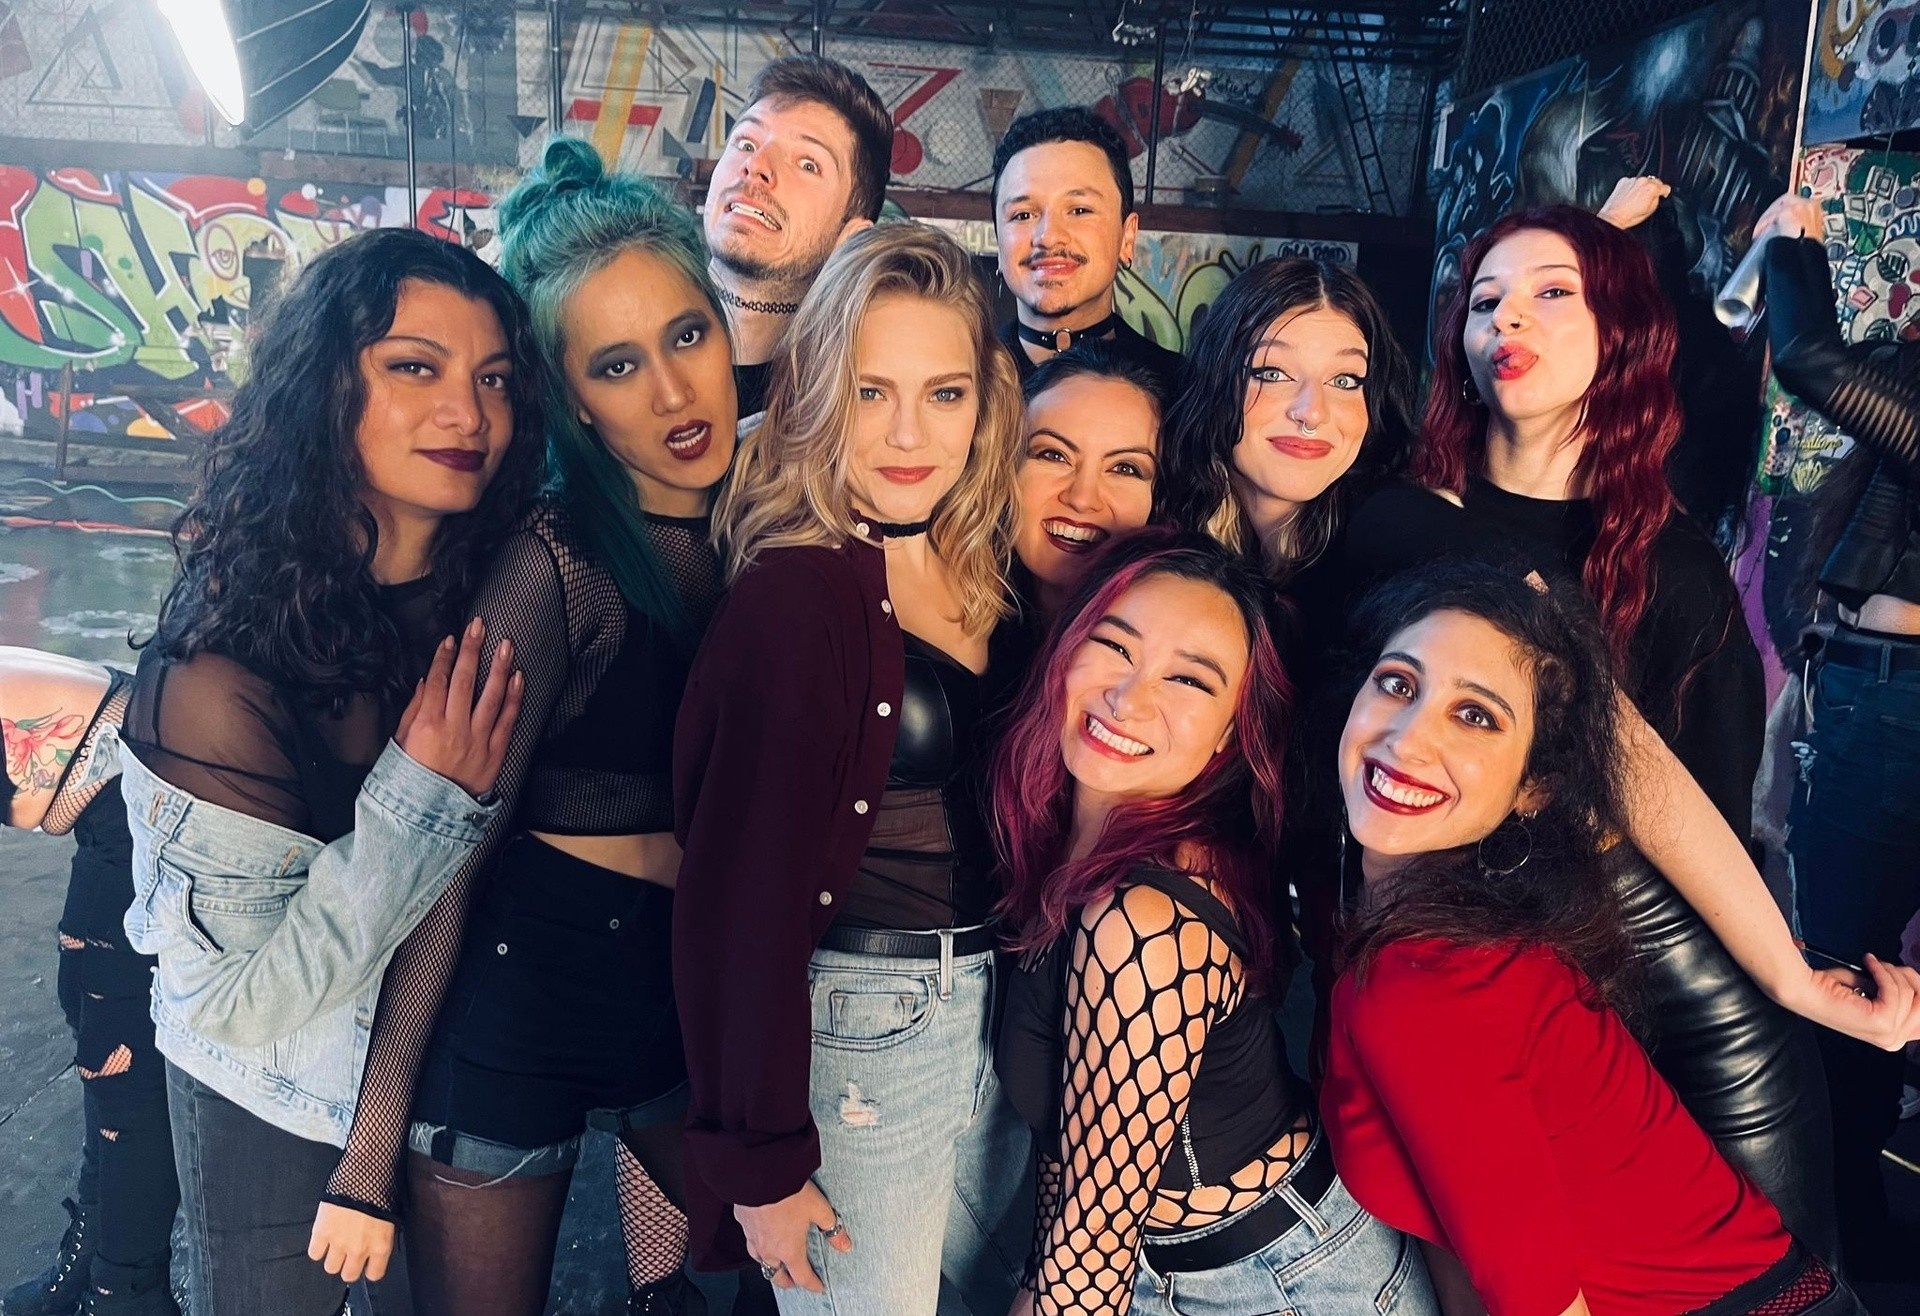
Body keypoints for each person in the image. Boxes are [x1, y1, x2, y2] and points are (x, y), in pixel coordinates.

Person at [312, 140, 738, 1316]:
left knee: (744, 1287)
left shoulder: (764, 529)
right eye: (617, 365)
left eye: (686, 336)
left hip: (680, 1004)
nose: (672, 393)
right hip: (520, 997)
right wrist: (368, 1155)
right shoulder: (556, 570)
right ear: (569, 395)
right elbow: (449, 857)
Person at [116, 227, 541, 1316]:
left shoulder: (501, 593)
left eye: (494, 379)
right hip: (274, 1094)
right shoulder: (218, 669)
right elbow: (239, 1004)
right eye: (416, 367)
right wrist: (421, 798)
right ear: (323, 388)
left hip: (442, 1077)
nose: (469, 413)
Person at [1413, 204, 1851, 1255]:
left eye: (1552, 294)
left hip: (1620, 1014)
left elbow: (1706, 830)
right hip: (1432, 984)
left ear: (1623, 334)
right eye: (1485, 302)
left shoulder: (1676, 575)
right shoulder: (1408, 517)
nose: (1508, 319)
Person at [1322, 560, 1891, 1316]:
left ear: (1534, 787)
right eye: (1398, 683)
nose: (1409, 738)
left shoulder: (1425, 983)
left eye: (1477, 716)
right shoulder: (1440, 925)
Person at [673, 223, 1029, 1316]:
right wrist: (763, 1160)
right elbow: (738, 904)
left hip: (994, 1013)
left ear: (985, 403)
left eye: (944, 393)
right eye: (872, 392)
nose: (909, 433)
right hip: (862, 1028)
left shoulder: (992, 569)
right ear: (822, 392)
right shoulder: (792, 600)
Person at [992, 531, 1437, 1316]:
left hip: (1285, 1283)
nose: (1129, 698)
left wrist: (1045, 1288)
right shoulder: (1077, 856)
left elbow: (1091, 1255)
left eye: (1188, 679)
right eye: (1114, 645)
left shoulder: (1143, 919)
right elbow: (1076, 1156)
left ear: (1232, 732)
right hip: (1189, 1266)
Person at [1750, 189, 1920, 1279]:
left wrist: (1794, 243)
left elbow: (1811, 358)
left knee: (1848, 979)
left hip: (1895, 705)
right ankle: (1852, 1246)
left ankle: (1842, 1249)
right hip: (1875, 692)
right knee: (1858, 982)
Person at [2, 648, 178, 1316]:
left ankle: (126, 1292)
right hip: (112, 782)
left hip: (133, 781)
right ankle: (98, 1255)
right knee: (86, 1006)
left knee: (118, 1057)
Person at [703, 54, 895, 419]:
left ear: (849, 237)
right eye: (746, 143)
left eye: (807, 164)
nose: (756, 165)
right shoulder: (617, 336)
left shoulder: (847, 412)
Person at [992, 108, 1185, 396]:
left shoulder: (1181, 389)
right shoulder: (968, 379)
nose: (1048, 237)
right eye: (1023, 215)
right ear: (998, 241)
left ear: (1127, 236)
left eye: (1080, 210)